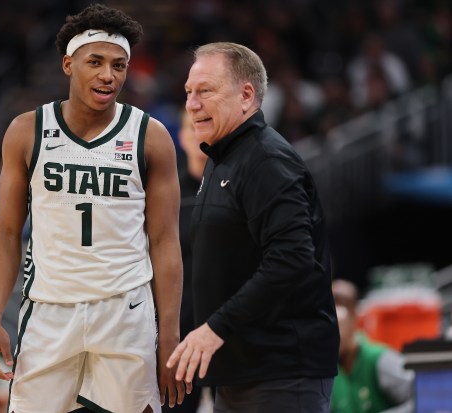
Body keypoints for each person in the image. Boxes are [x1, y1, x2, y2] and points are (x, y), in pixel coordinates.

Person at [0, 4, 184, 413]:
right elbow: (5, 232)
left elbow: (164, 241)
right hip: (48, 309)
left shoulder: (150, 136)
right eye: (96, 62)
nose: (108, 75)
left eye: (119, 65)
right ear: (68, 64)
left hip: (125, 308)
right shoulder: (27, 130)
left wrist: (170, 334)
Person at [166, 42, 340, 412]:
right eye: (188, 93)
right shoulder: (221, 159)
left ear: (246, 95)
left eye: (205, 91)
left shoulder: (268, 160)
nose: (192, 104)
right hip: (238, 373)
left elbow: (292, 261)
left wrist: (215, 329)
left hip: (281, 373)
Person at [163, 108, 208, 413]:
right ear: (181, 137)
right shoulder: (169, 193)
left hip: (227, 326)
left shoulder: (236, 184)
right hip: (181, 329)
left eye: (203, 126)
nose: (198, 135)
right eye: (190, 128)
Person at [330, 279, 414, 413]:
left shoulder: (380, 359)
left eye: (337, 329)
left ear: (353, 320)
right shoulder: (328, 372)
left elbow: (422, 400)